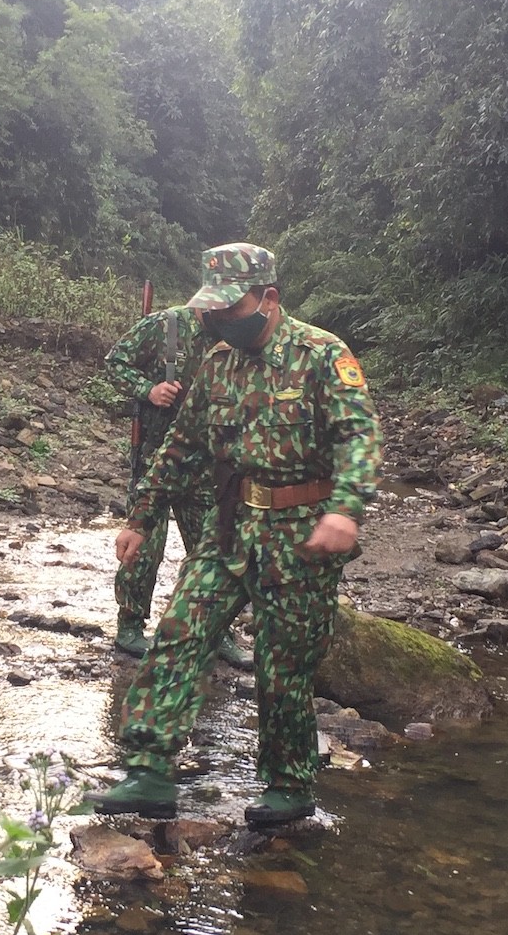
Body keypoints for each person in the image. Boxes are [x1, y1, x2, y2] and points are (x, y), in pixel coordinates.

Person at [89, 242, 380, 828]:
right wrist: (140, 516)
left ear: (268, 298)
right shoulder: (218, 364)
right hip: (230, 524)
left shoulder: (322, 356)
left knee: (284, 664)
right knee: (179, 633)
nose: (215, 319)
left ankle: (289, 785)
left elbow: (358, 437)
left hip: (301, 534)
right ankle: (148, 771)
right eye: (210, 309)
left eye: (229, 307)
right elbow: (180, 444)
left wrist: (345, 511)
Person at [102, 300, 226, 658]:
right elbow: (115, 363)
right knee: (145, 546)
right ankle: (130, 626)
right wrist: (149, 389)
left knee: (211, 548)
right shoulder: (165, 325)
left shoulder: (231, 338)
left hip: (204, 464)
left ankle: (219, 630)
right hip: (155, 457)